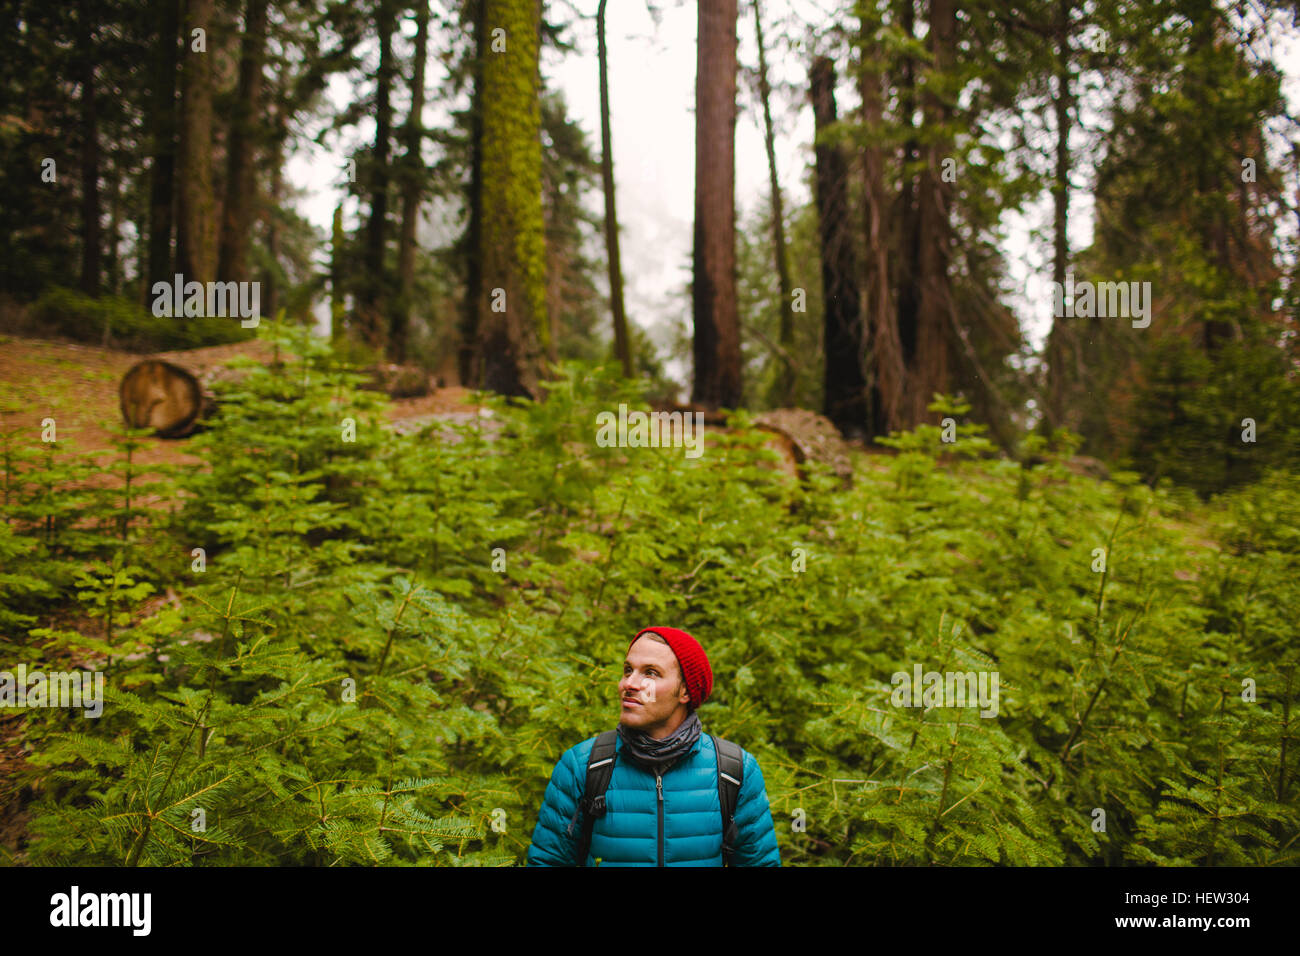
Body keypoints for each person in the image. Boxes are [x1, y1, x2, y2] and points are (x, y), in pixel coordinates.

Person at [526, 625, 781, 866]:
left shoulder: (733, 770)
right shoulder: (583, 765)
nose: (629, 684)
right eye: (628, 670)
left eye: (650, 673)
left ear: (685, 692)